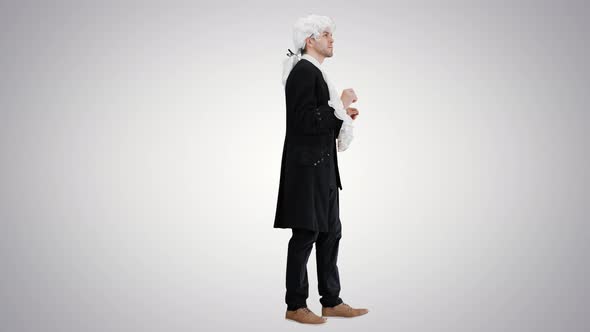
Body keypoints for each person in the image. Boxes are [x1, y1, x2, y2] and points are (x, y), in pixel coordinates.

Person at [273, 14, 368, 325]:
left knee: (330, 233)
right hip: (306, 172)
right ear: (309, 40)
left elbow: (319, 120)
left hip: (324, 170)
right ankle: (295, 305)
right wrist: (338, 105)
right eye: (326, 34)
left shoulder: (317, 73)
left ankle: (331, 300)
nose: (332, 39)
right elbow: (302, 121)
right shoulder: (303, 72)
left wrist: (342, 115)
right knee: (306, 234)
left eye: (331, 34)